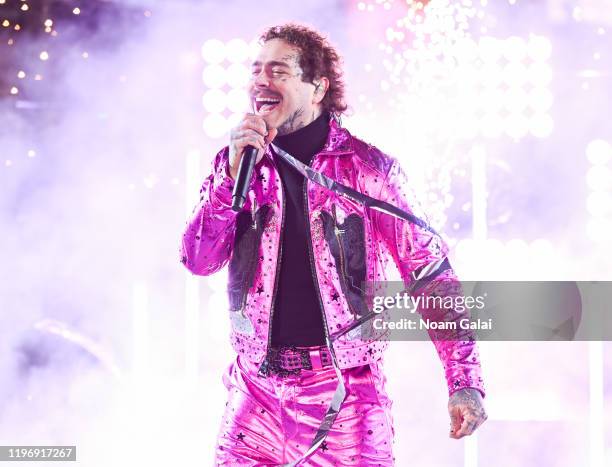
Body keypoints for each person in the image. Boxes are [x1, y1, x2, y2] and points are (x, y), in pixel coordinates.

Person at [181, 23, 487, 466]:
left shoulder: (367, 169)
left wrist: (464, 380)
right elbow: (197, 259)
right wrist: (227, 182)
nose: (261, 82)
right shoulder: (240, 165)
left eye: (279, 71)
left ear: (317, 87)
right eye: (256, 70)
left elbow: (429, 273)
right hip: (254, 396)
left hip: (344, 397)